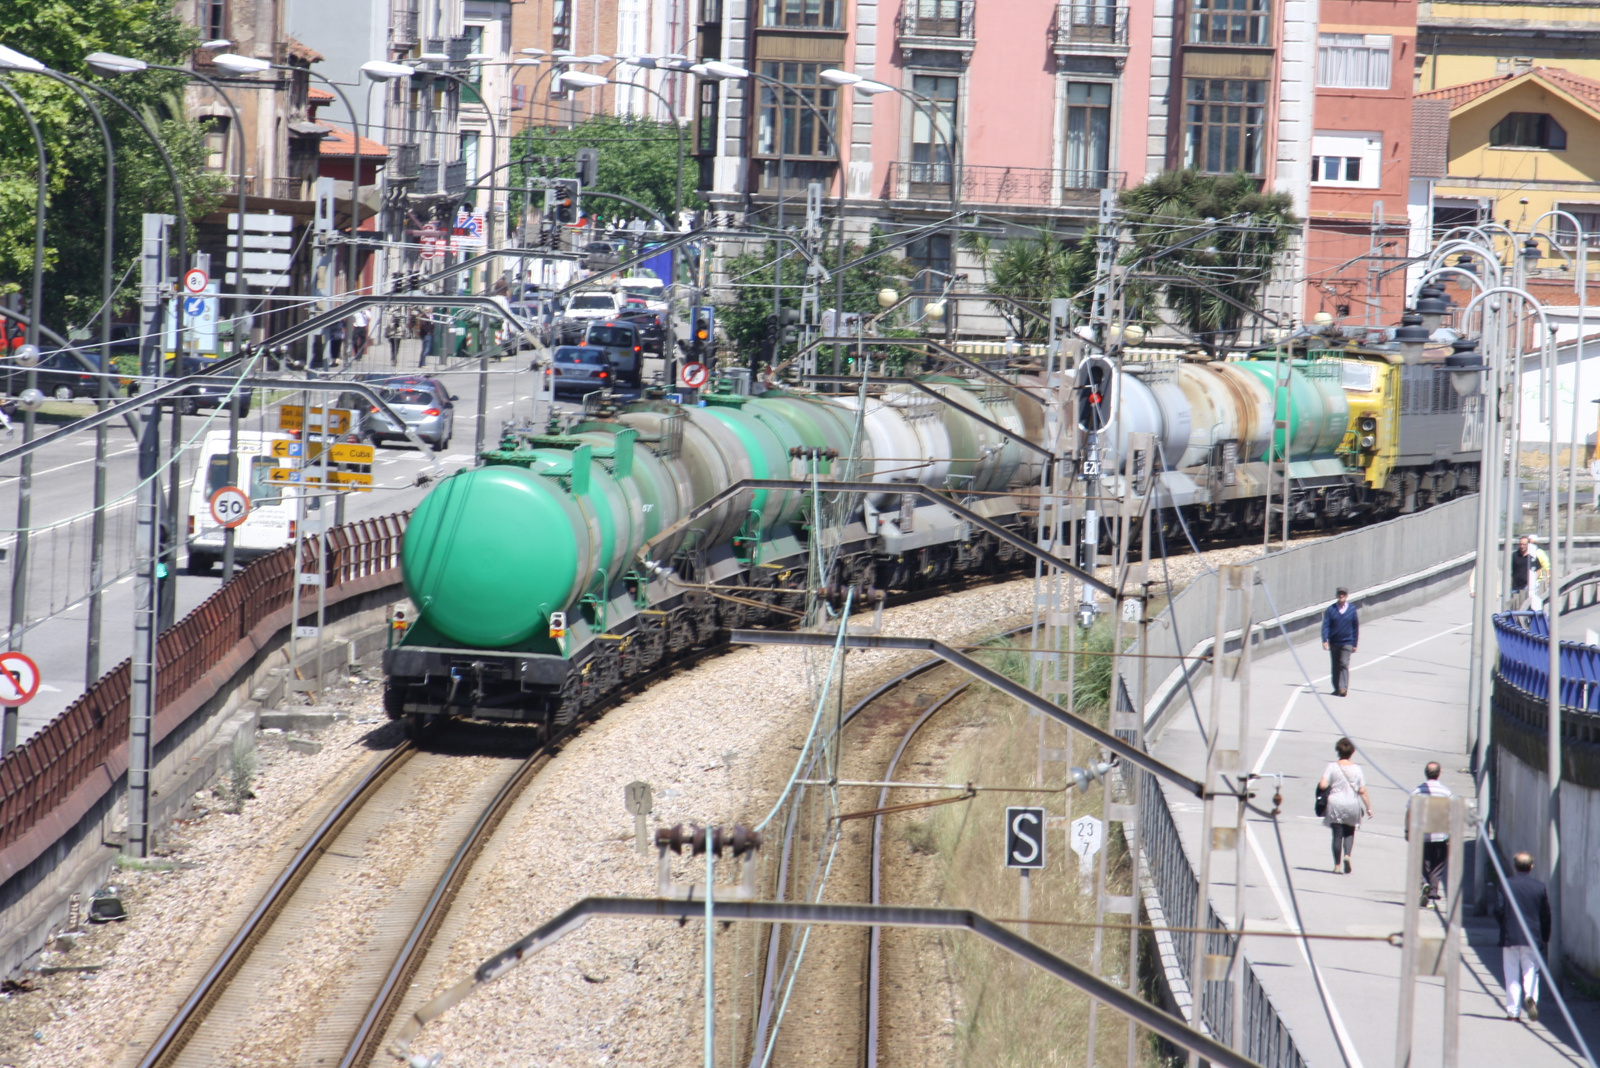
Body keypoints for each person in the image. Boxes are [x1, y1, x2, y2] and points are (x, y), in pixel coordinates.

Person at [1495, 852, 1551, 1022]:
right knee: (1531, 969)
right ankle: (1531, 997)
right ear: (1531, 867)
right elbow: (1545, 915)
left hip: (1510, 934)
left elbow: (1499, 909)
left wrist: (1504, 924)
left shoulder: (1505, 884)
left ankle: (1513, 1012)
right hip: (1532, 935)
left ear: (1515, 866)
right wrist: (1545, 935)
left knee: (1511, 971)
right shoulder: (1539, 887)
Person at [1319, 737, 1373, 873]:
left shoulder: (1332, 766)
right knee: (1349, 832)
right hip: (1352, 804)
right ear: (1352, 752)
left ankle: (1337, 866)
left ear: (1338, 750)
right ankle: (1347, 856)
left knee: (1337, 834)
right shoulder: (1357, 769)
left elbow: (1323, 785)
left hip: (1335, 803)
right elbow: (1362, 790)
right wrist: (1369, 808)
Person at [1410, 762, 1452, 905]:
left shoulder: (1417, 791)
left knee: (1423, 861)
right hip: (1440, 833)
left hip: (1422, 833)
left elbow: (1409, 812)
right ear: (1439, 773)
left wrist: (1407, 830)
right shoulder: (1446, 792)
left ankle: (1425, 884)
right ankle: (1433, 891)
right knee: (1438, 863)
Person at [1321, 587, 1359, 696]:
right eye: (1339, 594)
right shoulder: (1331, 609)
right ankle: (1337, 688)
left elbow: (1355, 627)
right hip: (1334, 642)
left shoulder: (1351, 609)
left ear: (1347, 596)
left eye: (1343, 594)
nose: (1341, 596)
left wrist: (1355, 643)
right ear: (1337, 595)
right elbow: (1326, 626)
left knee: (1343, 663)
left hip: (1347, 641)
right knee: (1335, 665)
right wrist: (1325, 640)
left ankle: (1343, 688)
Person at [1510, 535, 1548, 610]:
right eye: (1520, 544)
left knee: (1525, 606)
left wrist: (1532, 582)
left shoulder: (1531, 556)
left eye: (1524, 544)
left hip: (1527, 586)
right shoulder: (1514, 555)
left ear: (1528, 545)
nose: (1522, 546)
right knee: (1515, 606)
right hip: (1516, 585)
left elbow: (1538, 570)